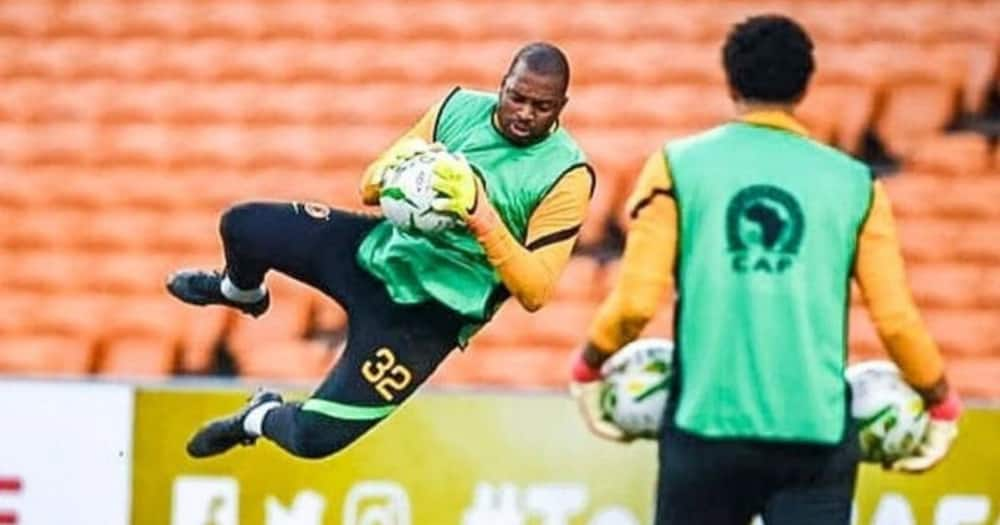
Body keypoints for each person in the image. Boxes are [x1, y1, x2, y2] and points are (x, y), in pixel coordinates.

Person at [568, 15, 962, 525]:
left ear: (730, 81)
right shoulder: (855, 184)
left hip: (704, 431)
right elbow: (895, 320)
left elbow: (637, 302)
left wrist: (590, 364)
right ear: (805, 86)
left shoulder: (677, 166)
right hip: (815, 438)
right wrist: (939, 397)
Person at [168, 41, 595, 460]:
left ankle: (256, 417)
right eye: (517, 97)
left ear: (562, 106)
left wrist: (479, 214)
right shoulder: (458, 107)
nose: (525, 113)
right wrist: (402, 167)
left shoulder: (567, 174)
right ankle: (241, 292)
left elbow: (536, 291)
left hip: (428, 318)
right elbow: (369, 186)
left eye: (542, 107)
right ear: (503, 84)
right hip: (374, 253)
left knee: (312, 438)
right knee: (243, 225)